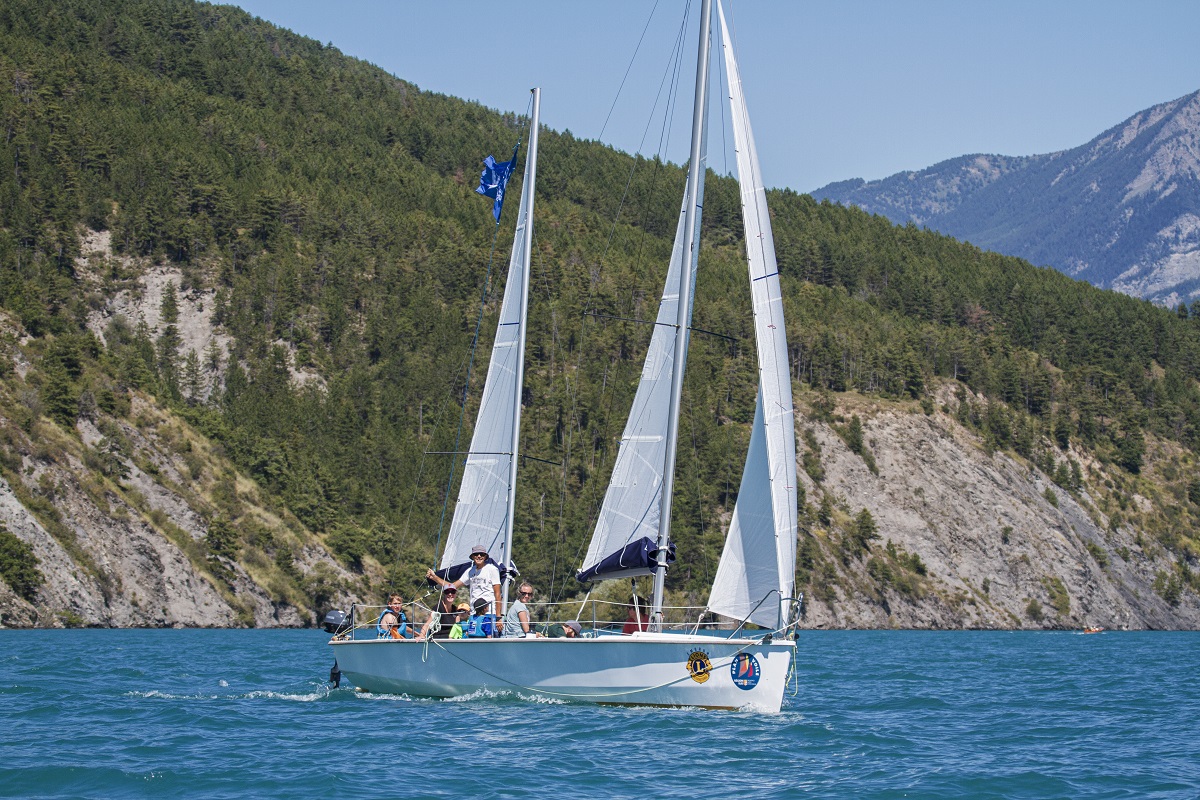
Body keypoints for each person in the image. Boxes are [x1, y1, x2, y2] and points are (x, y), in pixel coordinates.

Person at [426, 544, 503, 619]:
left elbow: (497, 593)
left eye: (482, 554)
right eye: (476, 554)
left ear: (485, 556)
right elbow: (452, 586)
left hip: (489, 613)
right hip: (474, 613)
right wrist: (435, 577)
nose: (479, 556)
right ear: (472, 557)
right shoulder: (470, 571)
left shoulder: (492, 569)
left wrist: (498, 617)